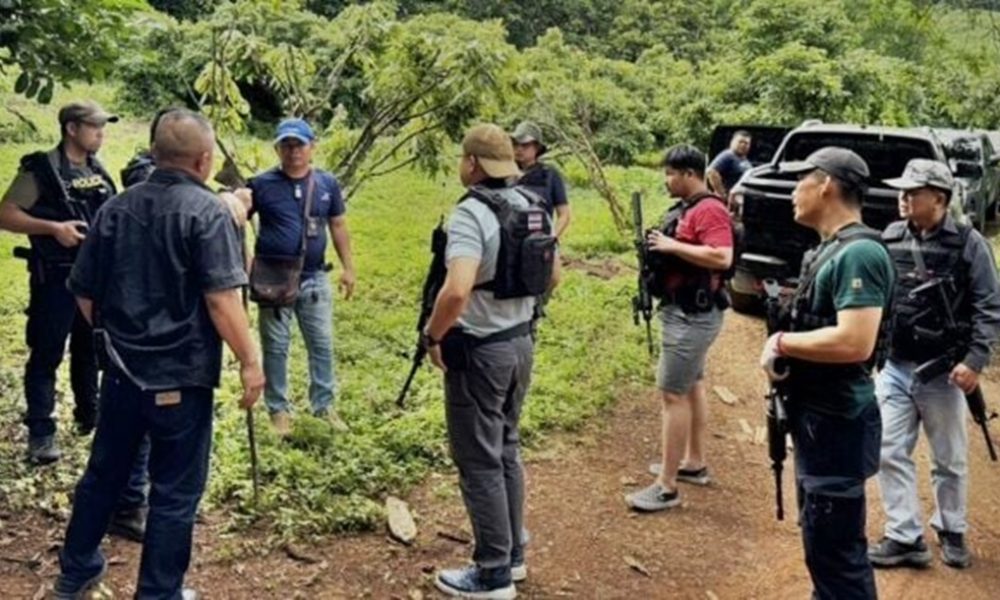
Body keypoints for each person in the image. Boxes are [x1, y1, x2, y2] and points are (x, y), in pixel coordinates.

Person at [53, 109, 264, 599]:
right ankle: (159, 593)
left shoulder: (115, 209)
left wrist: (117, 339)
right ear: (204, 159)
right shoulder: (208, 212)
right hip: (182, 378)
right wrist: (251, 362)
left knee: (104, 474)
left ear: (155, 153)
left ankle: (76, 570)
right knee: (174, 491)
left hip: (124, 375)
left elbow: (83, 292)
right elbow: (222, 299)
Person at [423, 123, 559, 599]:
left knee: (478, 459)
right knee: (505, 447)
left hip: (480, 352)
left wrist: (433, 334)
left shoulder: (472, 214)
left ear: (474, 164)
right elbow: (553, 276)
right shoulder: (534, 206)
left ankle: (492, 572)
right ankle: (513, 556)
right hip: (521, 343)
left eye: (463, 158)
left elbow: (456, 288)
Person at [759, 147, 894, 599]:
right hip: (819, 419)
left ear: (827, 185)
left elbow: (856, 341)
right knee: (823, 546)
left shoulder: (858, 254)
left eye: (802, 180)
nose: (793, 191)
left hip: (837, 423)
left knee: (837, 554)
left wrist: (781, 343)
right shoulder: (830, 250)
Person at [868, 159, 1000, 570]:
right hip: (894, 365)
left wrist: (975, 360)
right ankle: (904, 535)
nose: (903, 199)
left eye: (913, 192)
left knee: (949, 457)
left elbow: (989, 306)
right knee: (888, 448)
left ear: (939, 199)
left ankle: (952, 527)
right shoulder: (889, 237)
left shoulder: (968, 243)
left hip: (944, 371)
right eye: (902, 191)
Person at [0, 101, 117, 463]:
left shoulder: (97, 170)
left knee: (89, 349)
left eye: (102, 126)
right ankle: (41, 432)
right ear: (71, 128)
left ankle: (89, 417)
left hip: (93, 279)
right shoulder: (41, 170)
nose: (101, 132)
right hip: (56, 278)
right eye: (94, 126)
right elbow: (5, 213)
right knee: (47, 353)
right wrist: (53, 229)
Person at [626, 144, 733, 512]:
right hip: (686, 312)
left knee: (672, 395)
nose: (666, 180)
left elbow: (722, 255)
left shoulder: (710, 210)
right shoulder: (690, 209)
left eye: (671, 173)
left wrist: (670, 245)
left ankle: (667, 486)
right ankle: (693, 462)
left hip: (692, 316)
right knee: (692, 386)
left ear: (690, 174)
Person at [247, 118, 356, 436]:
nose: (293, 151)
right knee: (276, 346)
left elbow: (338, 225)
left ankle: (323, 405)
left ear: (312, 147)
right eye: (287, 145)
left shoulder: (326, 184)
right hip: (274, 278)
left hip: (314, 277)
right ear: (278, 149)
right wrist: (244, 262)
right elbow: (237, 217)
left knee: (321, 343)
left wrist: (349, 267)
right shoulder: (261, 184)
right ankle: (278, 409)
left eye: (299, 144)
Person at [511, 121, 571, 239]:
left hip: (538, 242)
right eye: (516, 144)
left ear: (537, 147)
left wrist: (550, 239)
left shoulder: (550, 174)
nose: (519, 149)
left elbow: (564, 214)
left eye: (525, 145)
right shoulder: (503, 172)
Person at [706, 130, 752, 198]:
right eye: (740, 142)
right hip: (730, 200)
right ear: (732, 142)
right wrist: (722, 194)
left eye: (746, 143)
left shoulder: (745, 160)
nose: (743, 145)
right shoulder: (728, 155)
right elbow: (711, 171)